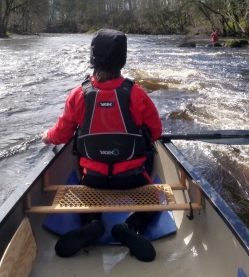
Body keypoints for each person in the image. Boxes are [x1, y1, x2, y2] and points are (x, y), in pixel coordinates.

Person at [42, 29, 163, 262]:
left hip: (93, 178)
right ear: (122, 60)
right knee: (154, 201)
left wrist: (47, 136)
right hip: (132, 178)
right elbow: (156, 132)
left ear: (93, 57)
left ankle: (92, 223)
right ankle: (131, 226)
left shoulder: (78, 94)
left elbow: (61, 133)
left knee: (85, 195)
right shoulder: (137, 94)